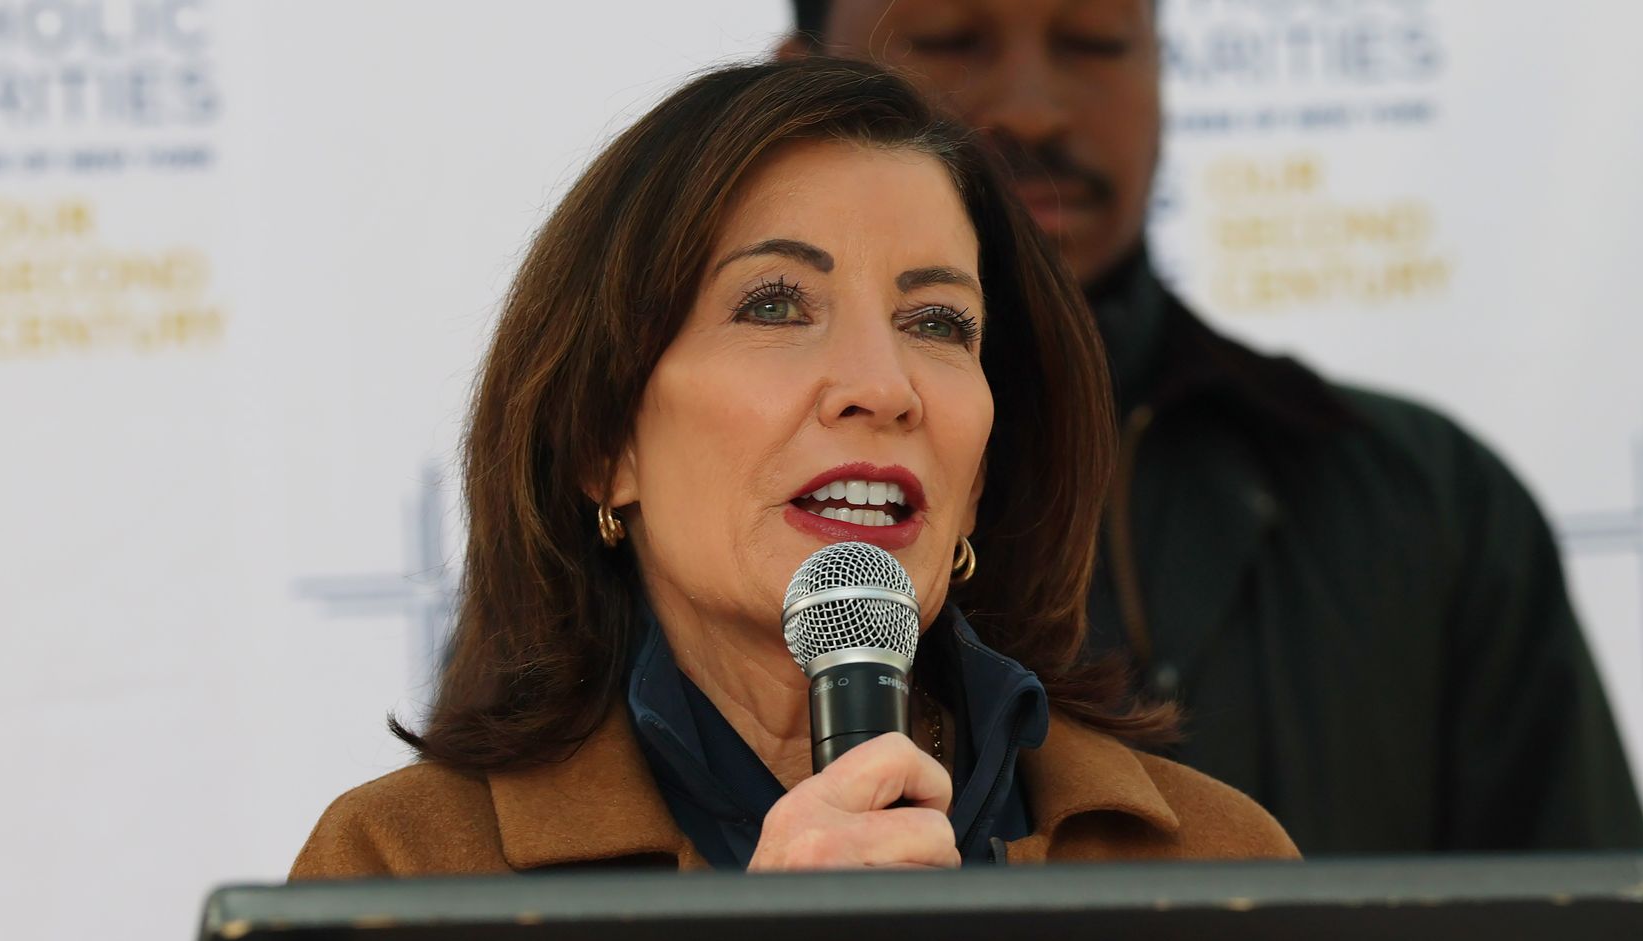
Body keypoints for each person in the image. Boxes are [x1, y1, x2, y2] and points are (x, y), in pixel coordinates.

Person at [290, 58, 1298, 878]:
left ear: (981, 472)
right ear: (605, 442)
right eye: (774, 305)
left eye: (938, 322)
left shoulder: (1213, 861)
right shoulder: (404, 873)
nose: (883, 385)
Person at [785, 0, 1643, 853]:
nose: (1031, 109)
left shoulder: (1429, 501)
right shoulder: (708, 515)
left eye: (1093, 43)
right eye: (950, 41)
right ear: (796, 82)